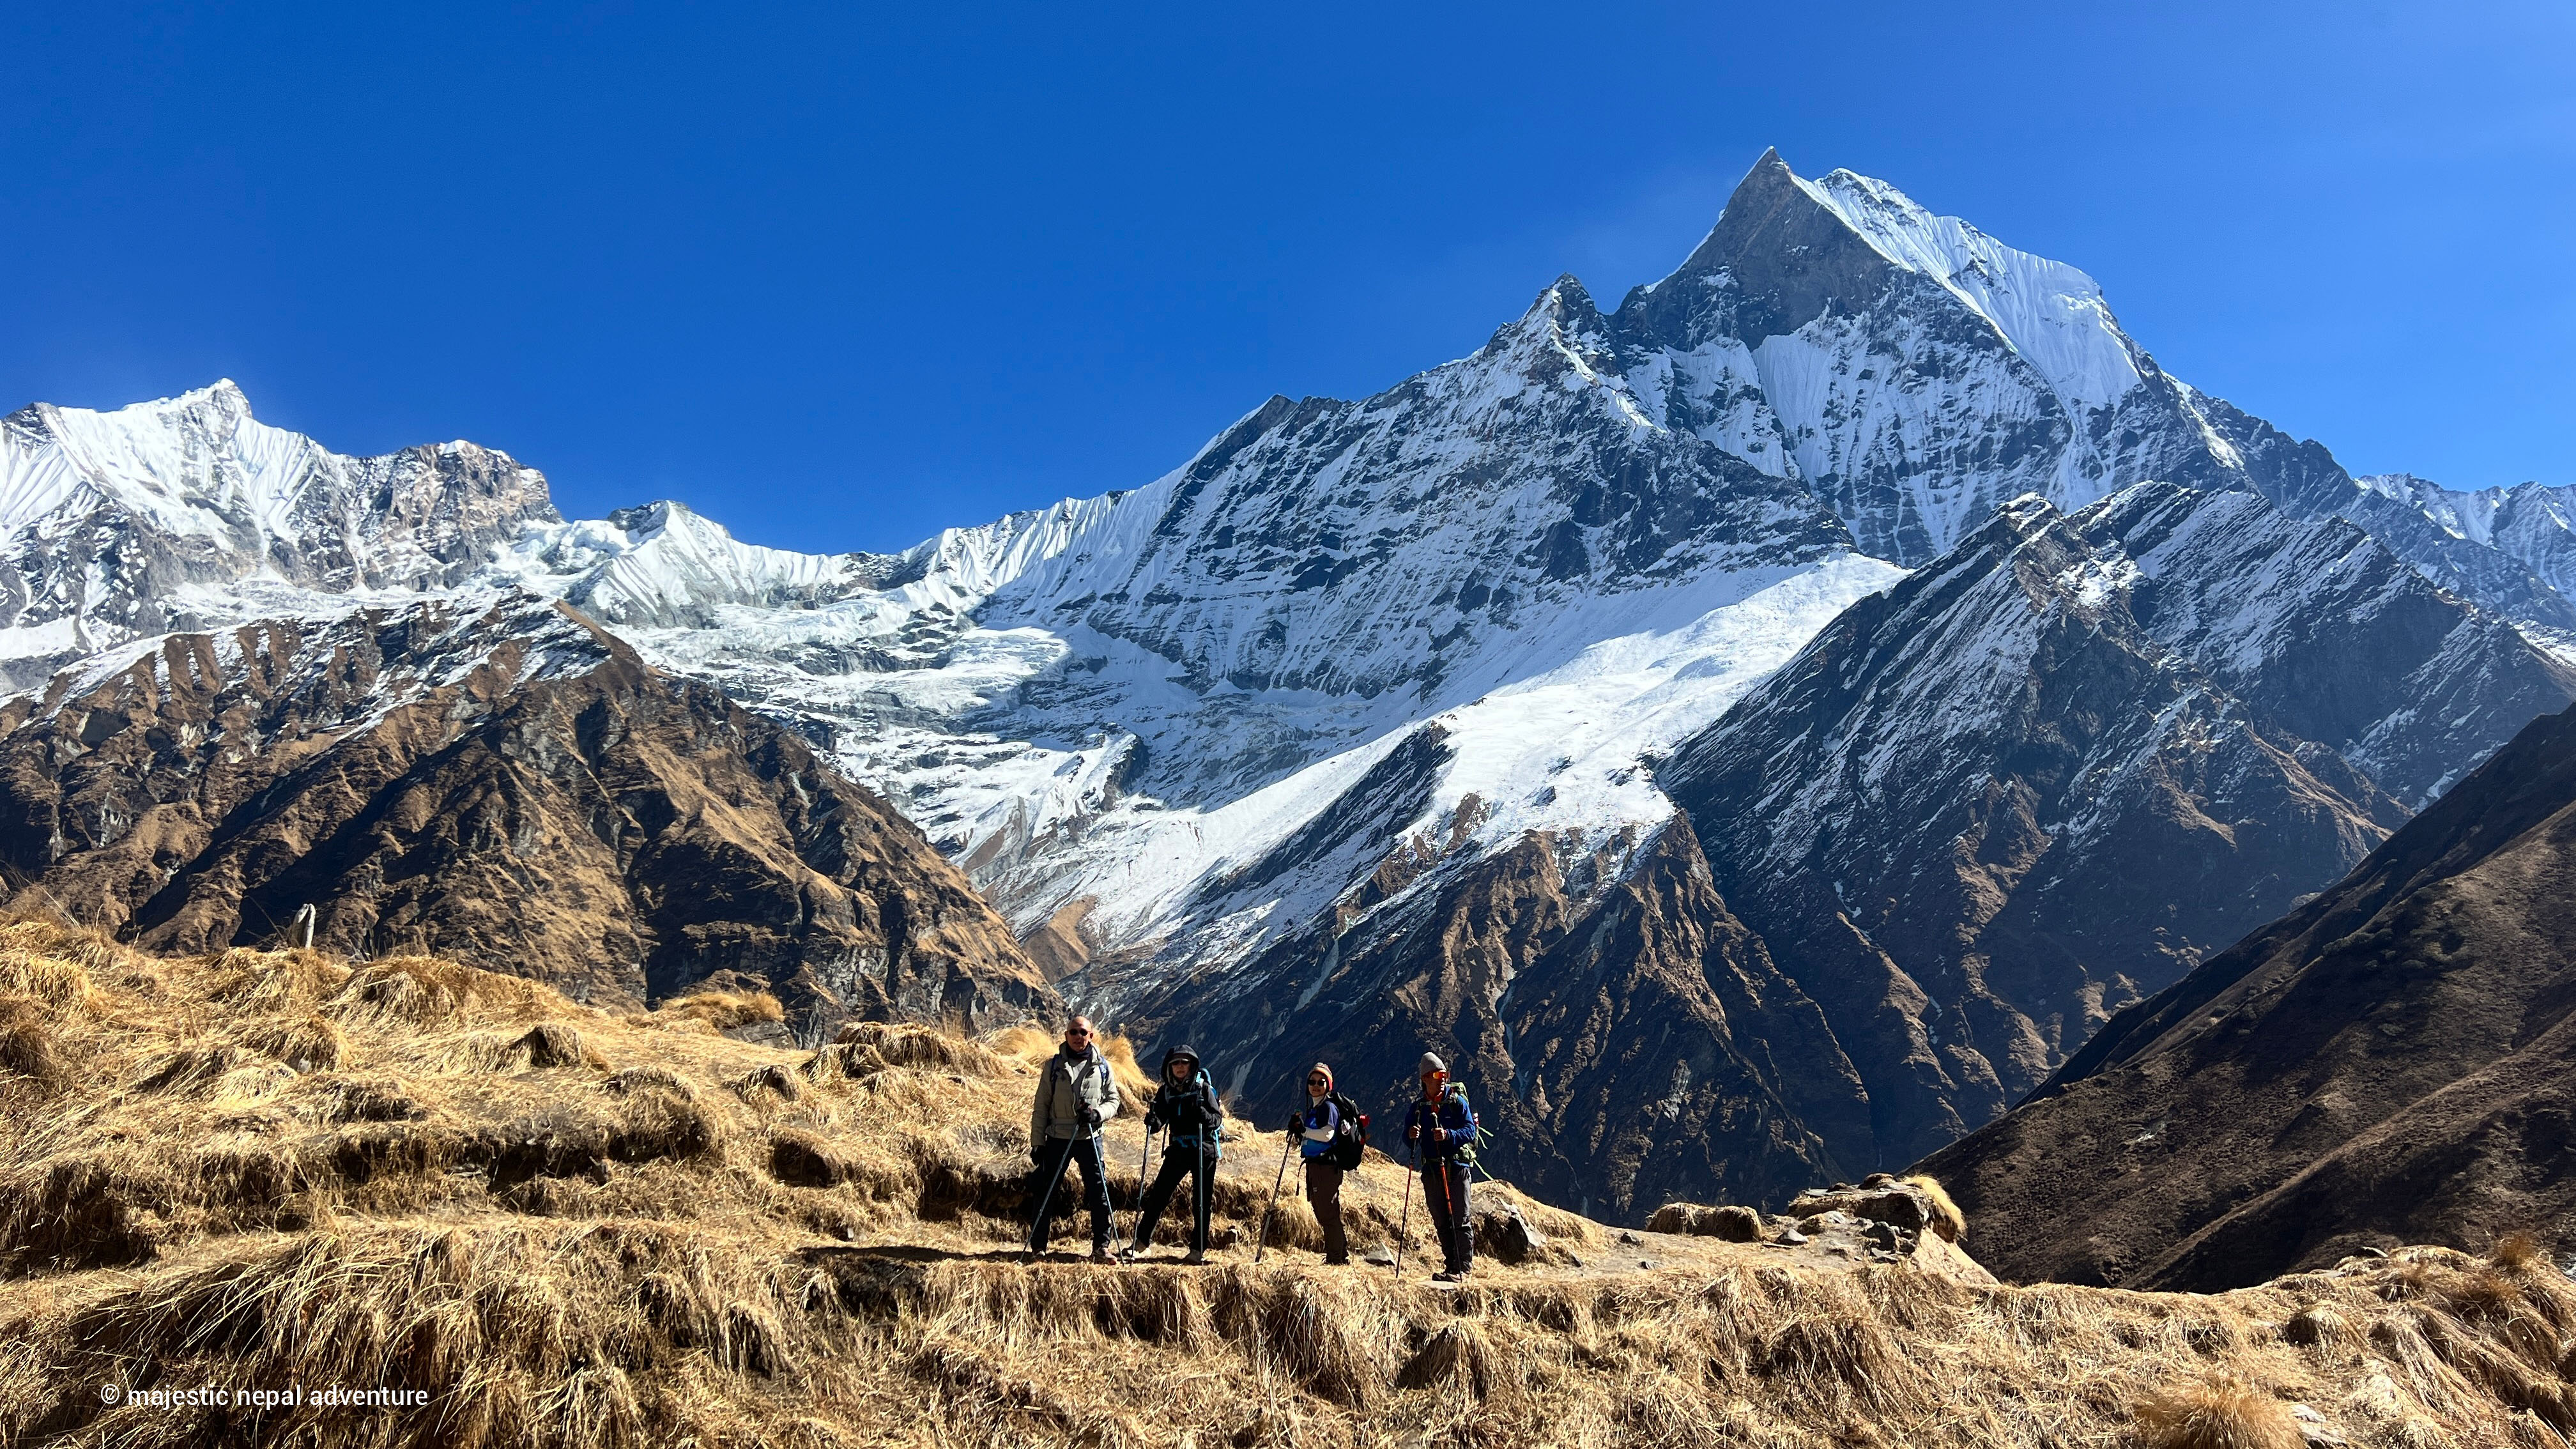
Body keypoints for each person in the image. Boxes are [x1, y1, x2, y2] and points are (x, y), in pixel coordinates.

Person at [1027, 1015, 1121, 1261]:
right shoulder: (1052, 1066)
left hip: (1090, 1136)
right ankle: (1039, 1247)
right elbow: (1041, 1106)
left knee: (1098, 1191)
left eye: (1083, 1033)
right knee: (1046, 1191)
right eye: (1074, 1033)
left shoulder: (1103, 1067)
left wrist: (1097, 1114)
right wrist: (1037, 1142)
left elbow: (1114, 1101)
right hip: (1058, 1137)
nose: (1078, 1037)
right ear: (1066, 1035)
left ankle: (1101, 1247)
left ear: (1091, 1036)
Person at [1123, 1044, 1223, 1264]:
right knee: (1158, 1195)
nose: (1180, 1067)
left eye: (1184, 1063)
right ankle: (1141, 1243)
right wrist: (1153, 1121)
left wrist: (1203, 1113)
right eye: (1176, 1063)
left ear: (1191, 1066)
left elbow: (1216, 1120)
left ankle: (1197, 1249)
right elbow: (1160, 1119)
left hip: (1203, 1150)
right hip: (1179, 1149)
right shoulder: (1166, 1091)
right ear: (1170, 1066)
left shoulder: (1203, 1089)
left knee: (1201, 1201)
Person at [1403, 1051, 1478, 1282]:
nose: (1443, 1078)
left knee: (1460, 1217)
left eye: (1445, 1074)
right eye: (1437, 1074)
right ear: (1425, 1078)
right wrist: (1411, 1134)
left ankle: (1463, 1269)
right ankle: (1451, 1266)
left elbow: (1470, 1130)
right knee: (1441, 1219)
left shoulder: (1457, 1102)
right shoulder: (1418, 1108)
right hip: (1433, 1170)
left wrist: (1449, 1135)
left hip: (1456, 1167)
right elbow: (1407, 1139)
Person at [1284, 1062, 1355, 1265]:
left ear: (1328, 1085)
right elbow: (1310, 1138)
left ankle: (1335, 1258)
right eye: (1312, 1082)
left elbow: (1328, 1134)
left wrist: (1303, 1130)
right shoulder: (1315, 1109)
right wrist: (1299, 1131)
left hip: (1326, 1167)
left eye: (1321, 1082)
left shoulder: (1328, 1108)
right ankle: (1340, 1254)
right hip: (1317, 1166)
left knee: (1327, 1212)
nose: (1316, 1085)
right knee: (1326, 1210)